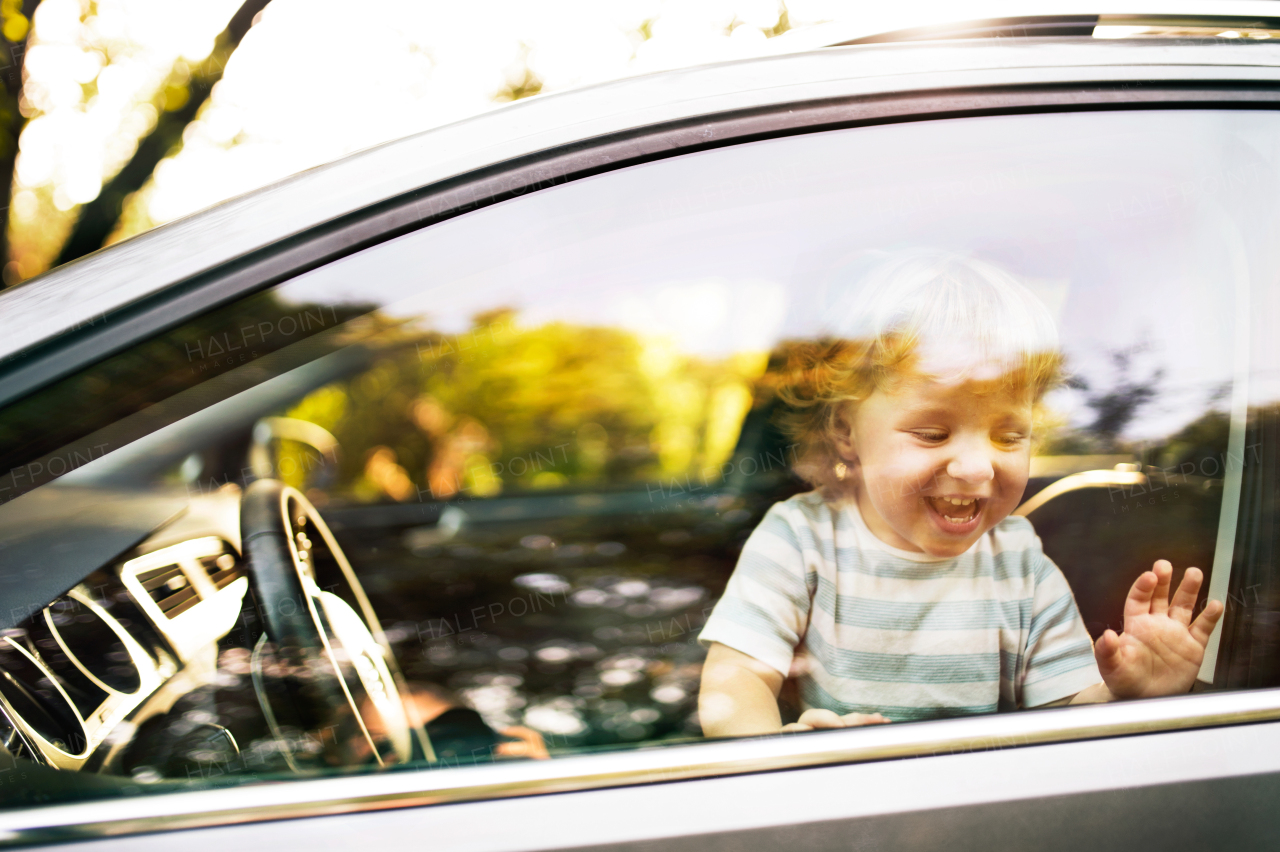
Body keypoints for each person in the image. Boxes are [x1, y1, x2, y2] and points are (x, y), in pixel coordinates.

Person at [697, 251, 1225, 737]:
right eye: (931, 433)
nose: (976, 468)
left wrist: (1127, 697)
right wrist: (778, 752)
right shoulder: (802, 537)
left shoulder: (1019, 560)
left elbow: (1064, 714)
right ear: (846, 432)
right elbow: (736, 680)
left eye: (1008, 436)